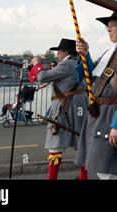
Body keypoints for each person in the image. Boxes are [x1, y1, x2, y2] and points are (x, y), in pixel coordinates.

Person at [74, 12, 117, 179]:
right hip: (100, 114)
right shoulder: (111, 51)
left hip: (113, 115)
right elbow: (94, 76)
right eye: (107, 26)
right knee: (106, 170)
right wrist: (85, 55)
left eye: (111, 25)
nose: (108, 29)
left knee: (110, 171)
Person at [36, 39, 88, 180]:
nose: (57, 54)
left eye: (59, 51)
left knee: (55, 145)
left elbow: (43, 77)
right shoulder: (78, 62)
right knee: (80, 144)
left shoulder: (65, 64)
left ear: (65, 51)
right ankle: (83, 177)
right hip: (78, 105)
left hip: (65, 107)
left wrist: (37, 65)